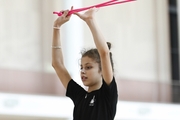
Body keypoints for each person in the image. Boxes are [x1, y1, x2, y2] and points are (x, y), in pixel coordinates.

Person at [52, 7, 118, 120]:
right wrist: (56, 27)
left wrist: (90, 21)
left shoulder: (107, 95)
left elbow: (104, 53)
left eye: (88, 67)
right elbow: (57, 65)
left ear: (102, 70)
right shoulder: (79, 96)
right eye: (81, 67)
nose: (82, 71)